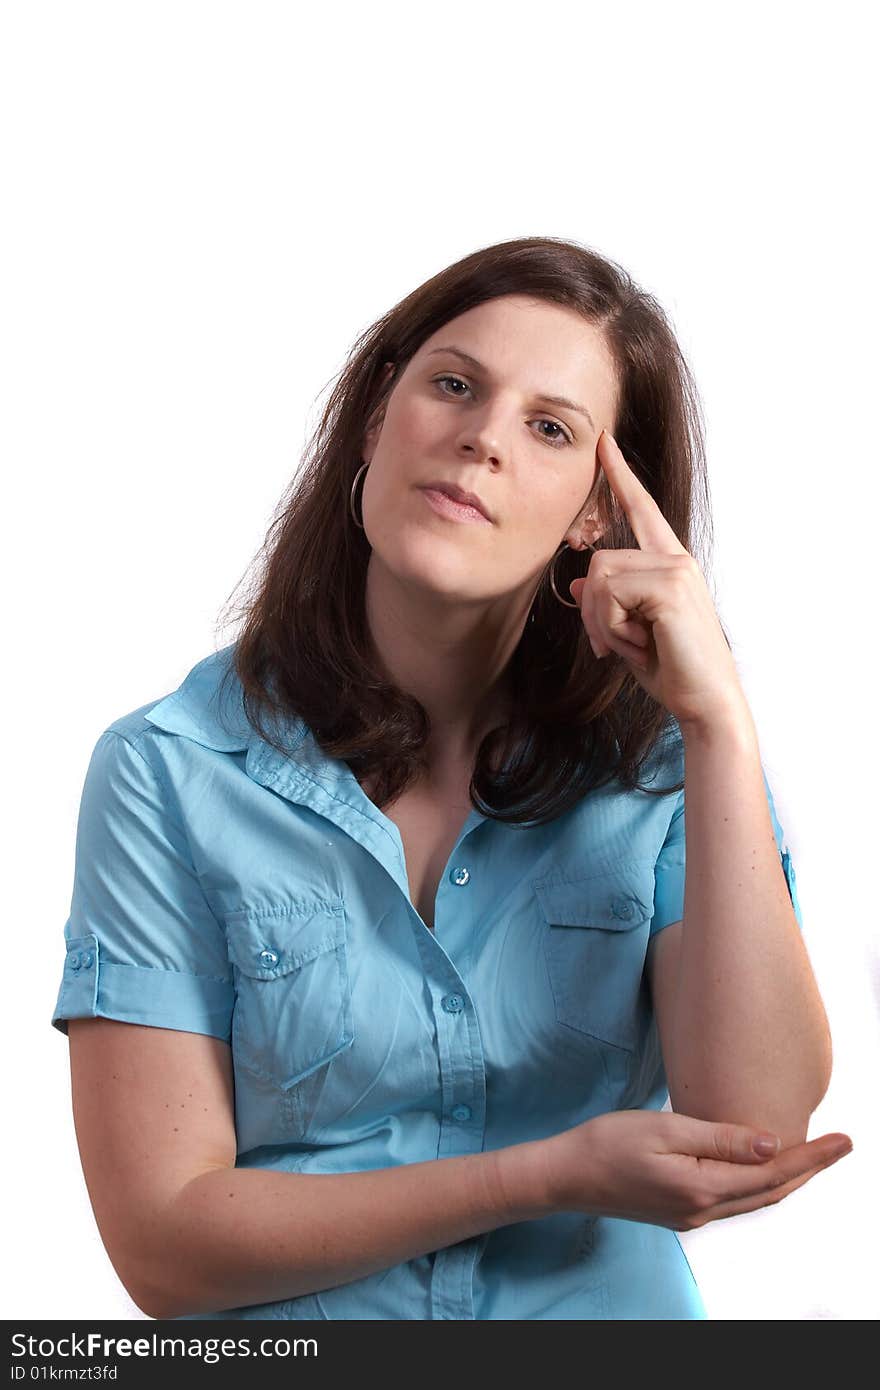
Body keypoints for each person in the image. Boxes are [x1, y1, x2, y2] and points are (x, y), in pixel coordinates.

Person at [51, 236, 850, 1321]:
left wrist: (716, 720)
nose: (481, 440)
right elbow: (165, 1250)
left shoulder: (665, 767)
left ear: (593, 514)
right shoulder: (170, 771)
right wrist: (548, 1174)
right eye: (455, 385)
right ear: (378, 416)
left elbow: (752, 1121)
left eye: (550, 427)